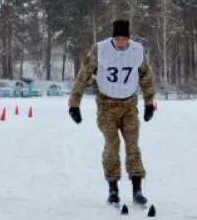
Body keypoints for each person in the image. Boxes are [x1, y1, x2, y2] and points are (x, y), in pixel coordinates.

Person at [67, 19, 157, 206]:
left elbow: (146, 77)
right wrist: (74, 103)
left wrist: (149, 102)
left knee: (133, 145)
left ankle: (137, 190)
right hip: (106, 106)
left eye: (124, 39)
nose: (121, 42)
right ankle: (113, 189)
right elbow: (83, 75)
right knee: (112, 144)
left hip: (129, 106)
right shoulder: (99, 49)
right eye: (117, 39)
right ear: (113, 37)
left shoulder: (137, 50)